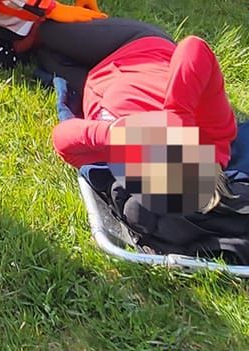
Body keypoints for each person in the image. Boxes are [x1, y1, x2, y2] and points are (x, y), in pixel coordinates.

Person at [48, 24, 238, 215]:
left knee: (38, 54)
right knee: (45, 31)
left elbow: (62, 140)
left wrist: (114, 134)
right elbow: (194, 46)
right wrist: (178, 117)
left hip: (94, 81)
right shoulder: (215, 133)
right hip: (137, 47)